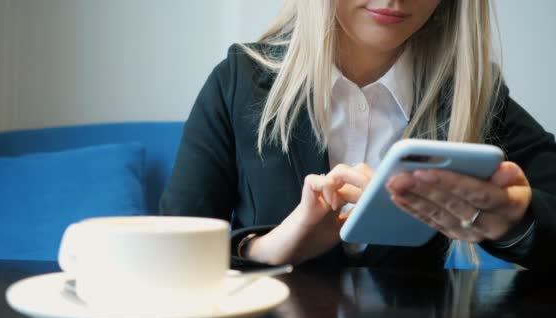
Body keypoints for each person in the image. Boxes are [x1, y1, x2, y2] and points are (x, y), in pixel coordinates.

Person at [160, 0, 556, 270]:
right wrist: (267, 249)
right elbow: (169, 259)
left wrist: (516, 224)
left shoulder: (472, 97)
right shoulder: (236, 83)